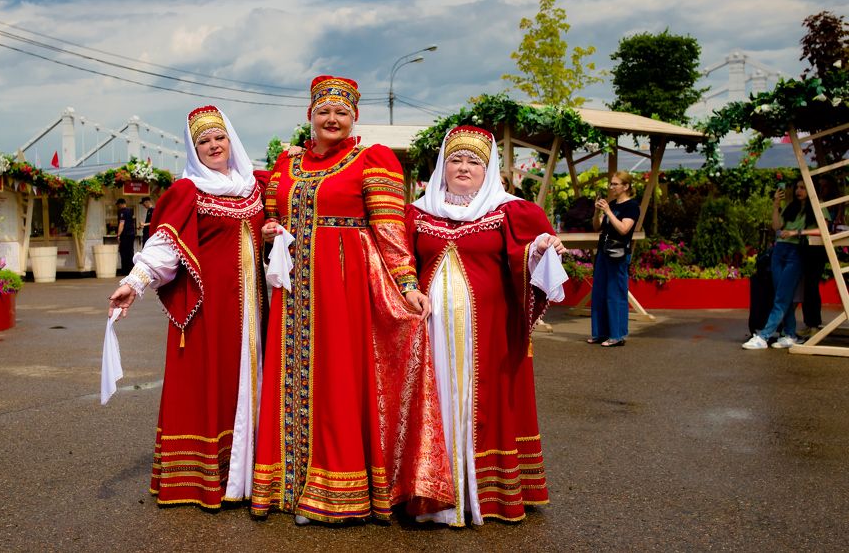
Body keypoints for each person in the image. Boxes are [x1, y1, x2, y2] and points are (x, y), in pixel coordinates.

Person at [253, 75, 452, 524]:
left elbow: (390, 227)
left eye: (342, 112)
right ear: (310, 114)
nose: (332, 119)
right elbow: (271, 212)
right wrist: (270, 229)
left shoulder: (371, 159)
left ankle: (332, 493)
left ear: (354, 117)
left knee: (336, 380)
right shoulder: (287, 162)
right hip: (294, 291)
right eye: (324, 111)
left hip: (344, 286)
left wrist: (405, 284)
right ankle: (288, 487)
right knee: (293, 380)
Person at [107, 105, 267, 507]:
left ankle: (250, 475)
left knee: (249, 380)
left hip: (253, 307)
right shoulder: (188, 191)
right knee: (209, 383)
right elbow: (164, 249)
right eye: (204, 141)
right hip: (209, 311)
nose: (213, 146)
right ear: (193, 149)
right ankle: (206, 479)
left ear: (231, 140)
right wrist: (134, 283)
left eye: (219, 137)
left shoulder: (255, 185)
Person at [406, 125, 566, 526]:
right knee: (435, 403)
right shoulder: (418, 212)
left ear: (488, 168)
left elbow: (524, 259)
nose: (463, 167)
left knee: (483, 407)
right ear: (442, 166)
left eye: (473, 161)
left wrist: (540, 249)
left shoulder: (511, 211)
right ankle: (434, 492)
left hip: (488, 339)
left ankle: (483, 494)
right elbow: (400, 262)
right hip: (428, 336)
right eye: (455, 159)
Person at [743, 180, 824, 350]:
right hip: (779, 250)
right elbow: (776, 226)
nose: (798, 191)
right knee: (782, 294)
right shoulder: (790, 207)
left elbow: (823, 230)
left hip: (796, 251)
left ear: (811, 189)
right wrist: (776, 205)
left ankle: (763, 336)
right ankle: (790, 334)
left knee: (781, 296)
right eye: (797, 187)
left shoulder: (817, 207)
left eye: (803, 187)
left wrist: (796, 232)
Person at [589, 171, 640, 347]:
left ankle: (617, 335)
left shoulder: (632, 207)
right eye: (611, 184)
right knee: (599, 292)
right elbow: (597, 227)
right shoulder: (610, 204)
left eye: (615, 184)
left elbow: (624, 229)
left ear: (626, 186)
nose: (611, 187)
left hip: (618, 253)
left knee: (615, 293)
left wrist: (609, 211)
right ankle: (600, 333)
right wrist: (597, 212)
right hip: (604, 251)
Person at [800, 175, 840, 336]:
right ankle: (810, 323)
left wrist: (800, 231)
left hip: (816, 250)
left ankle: (814, 323)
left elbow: (824, 226)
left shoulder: (821, 204)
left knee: (811, 286)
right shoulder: (812, 204)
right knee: (808, 287)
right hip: (810, 248)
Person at [115, 198, 135, 276]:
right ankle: (131, 270)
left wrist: (118, 234)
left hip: (125, 235)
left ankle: (125, 271)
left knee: (124, 252)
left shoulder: (122, 212)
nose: (118, 207)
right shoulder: (130, 211)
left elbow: (121, 223)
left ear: (120, 204)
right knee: (130, 252)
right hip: (131, 234)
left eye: (118, 205)